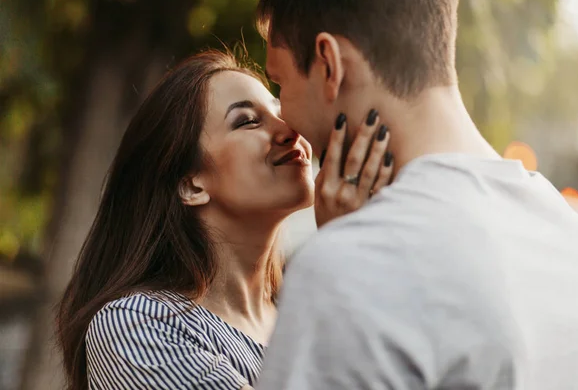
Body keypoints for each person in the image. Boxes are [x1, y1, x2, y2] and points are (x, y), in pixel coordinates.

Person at [254, 0, 578, 389]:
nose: (284, 117)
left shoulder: (347, 271)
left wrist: (346, 250)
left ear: (329, 64)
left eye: (279, 82)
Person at [56, 50, 394, 390]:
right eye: (248, 121)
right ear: (190, 185)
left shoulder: (305, 318)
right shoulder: (136, 325)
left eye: (281, 112)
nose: (289, 130)